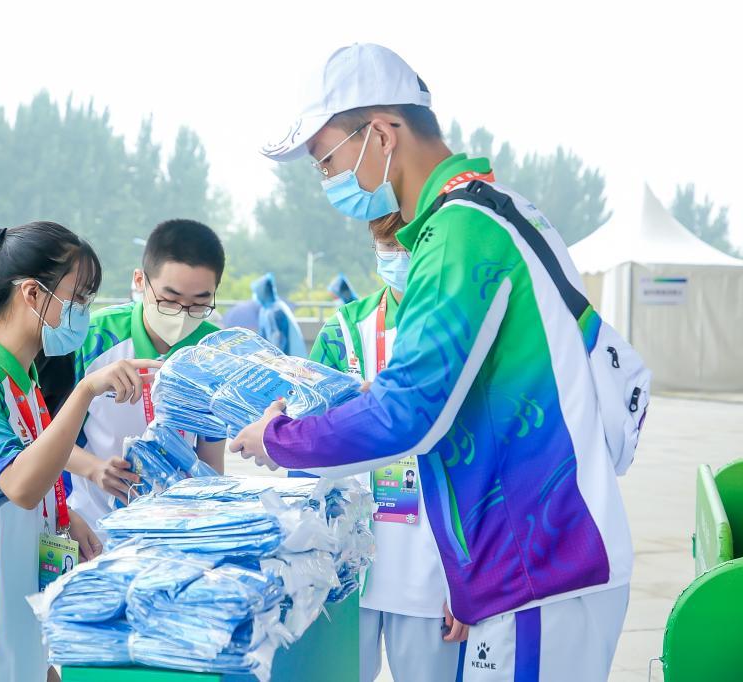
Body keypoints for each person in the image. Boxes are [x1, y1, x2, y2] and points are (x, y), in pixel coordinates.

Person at [232, 43, 632, 681]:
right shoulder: (495, 211)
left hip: (538, 564)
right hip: (534, 561)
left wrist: (279, 439)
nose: (326, 180)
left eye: (326, 159)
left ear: (382, 135)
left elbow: (406, 412)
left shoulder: (459, 233)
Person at [0, 222, 158, 681]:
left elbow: (37, 474)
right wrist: (85, 392)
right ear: (31, 292)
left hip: (18, 610)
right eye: (77, 298)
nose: (83, 313)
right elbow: (18, 486)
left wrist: (65, 518)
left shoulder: (22, 379)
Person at [307, 212, 464, 681]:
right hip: (347, 562)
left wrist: (468, 577)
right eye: (388, 245)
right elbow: (307, 429)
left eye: (408, 245)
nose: (398, 256)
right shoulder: (345, 328)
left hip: (430, 566)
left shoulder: (460, 328)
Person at [68, 219, 227, 533]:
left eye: (199, 304)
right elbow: (43, 437)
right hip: (92, 526)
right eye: (169, 300)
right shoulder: (93, 338)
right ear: (140, 280)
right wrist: (94, 468)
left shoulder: (212, 352)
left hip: (173, 528)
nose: (182, 315)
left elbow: (211, 460)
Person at [252, 272, 306, 356]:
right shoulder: (267, 309)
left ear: (263, 293)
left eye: (257, 293)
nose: (256, 296)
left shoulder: (276, 311)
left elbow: (279, 342)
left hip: (288, 358)